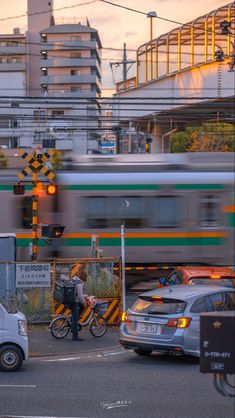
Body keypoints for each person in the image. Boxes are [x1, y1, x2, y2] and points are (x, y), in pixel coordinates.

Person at [69, 265, 88, 341]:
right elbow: (80, 296)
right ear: (84, 277)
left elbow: (77, 293)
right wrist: (84, 302)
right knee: (75, 318)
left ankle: (75, 319)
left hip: (70, 300)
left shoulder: (74, 279)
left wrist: (86, 296)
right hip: (74, 302)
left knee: (76, 314)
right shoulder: (79, 283)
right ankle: (75, 335)